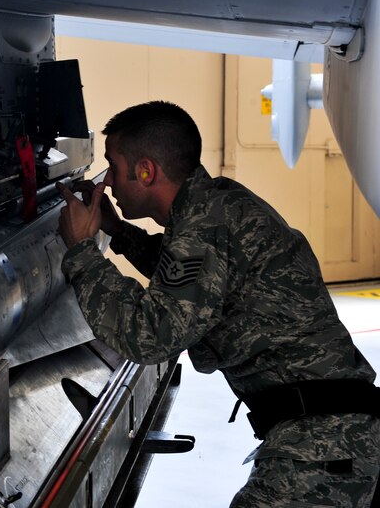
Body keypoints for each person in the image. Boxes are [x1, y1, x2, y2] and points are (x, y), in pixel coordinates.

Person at [56, 100, 380, 507]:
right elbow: (188, 281)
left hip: (321, 447)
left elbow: (151, 337)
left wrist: (83, 252)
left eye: (114, 168)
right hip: (333, 435)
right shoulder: (213, 205)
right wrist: (117, 232)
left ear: (145, 171)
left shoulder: (204, 224)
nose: (109, 183)